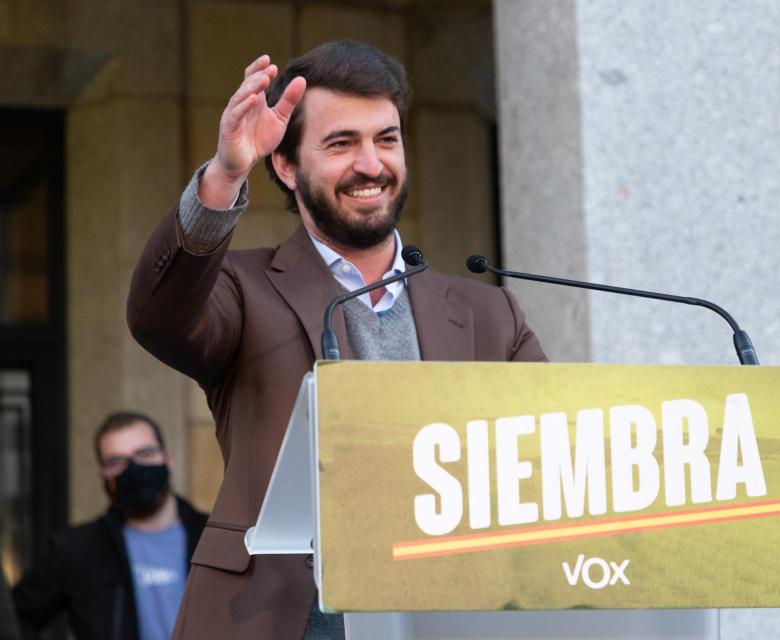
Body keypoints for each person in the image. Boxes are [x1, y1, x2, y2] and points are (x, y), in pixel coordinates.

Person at [126, 41, 547, 639]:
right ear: (287, 166)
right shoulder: (243, 288)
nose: (371, 165)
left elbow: (555, 455)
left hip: (448, 616)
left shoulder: (488, 312)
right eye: (341, 143)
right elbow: (159, 318)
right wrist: (224, 175)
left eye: (386, 139)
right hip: (288, 619)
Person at [13, 412, 207, 640]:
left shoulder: (215, 538)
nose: (133, 469)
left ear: (168, 459)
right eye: (116, 461)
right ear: (102, 474)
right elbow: (15, 618)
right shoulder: (77, 549)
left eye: (144, 453)